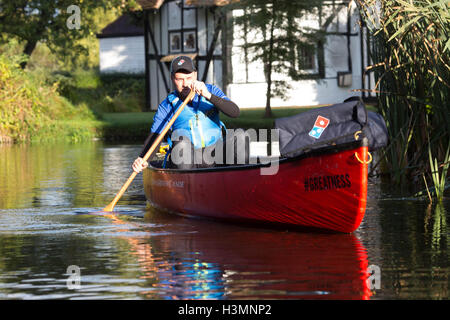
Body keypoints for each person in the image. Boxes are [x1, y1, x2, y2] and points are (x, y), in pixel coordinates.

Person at [132, 55, 242, 173]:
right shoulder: (168, 105)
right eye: (179, 79)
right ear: (172, 78)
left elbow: (234, 112)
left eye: (189, 78)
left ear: (195, 75)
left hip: (217, 156)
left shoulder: (211, 91)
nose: (185, 84)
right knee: (181, 141)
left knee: (240, 136)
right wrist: (143, 158)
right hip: (187, 159)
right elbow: (155, 136)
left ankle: (238, 179)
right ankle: (187, 186)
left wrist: (208, 95)